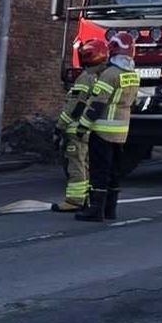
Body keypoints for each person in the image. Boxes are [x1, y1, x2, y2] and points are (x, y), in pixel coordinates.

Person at [76, 32, 142, 222]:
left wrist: (83, 126)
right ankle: (110, 210)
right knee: (114, 172)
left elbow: (97, 104)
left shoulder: (109, 74)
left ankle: (95, 210)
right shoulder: (133, 75)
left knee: (99, 171)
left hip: (103, 131)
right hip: (121, 132)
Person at [51, 38, 110, 212]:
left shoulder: (85, 78)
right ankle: (85, 198)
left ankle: (75, 201)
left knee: (76, 164)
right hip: (91, 129)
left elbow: (74, 105)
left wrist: (60, 126)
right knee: (85, 164)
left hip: (76, 129)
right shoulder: (104, 77)